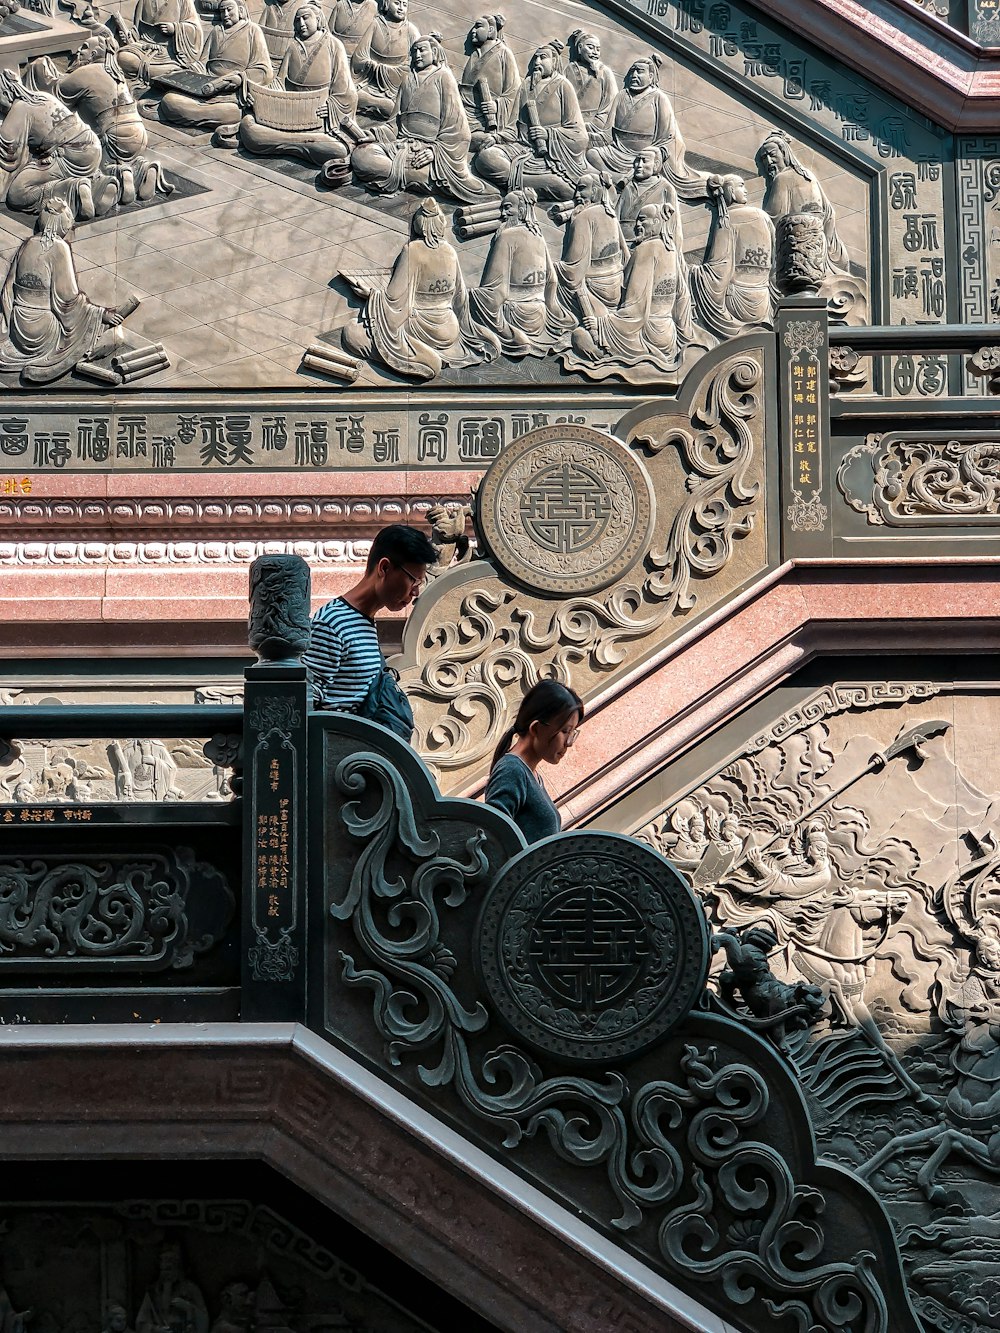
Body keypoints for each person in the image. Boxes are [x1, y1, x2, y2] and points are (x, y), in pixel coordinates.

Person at [303, 523, 438, 711]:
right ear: (384, 568)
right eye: (412, 580)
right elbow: (305, 704)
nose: (415, 591)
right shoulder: (331, 623)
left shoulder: (364, 621)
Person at [0, 198, 126, 384]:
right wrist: (100, 314)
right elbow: (67, 299)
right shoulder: (59, 248)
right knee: (106, 337)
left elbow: (8, 289)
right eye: (68, 220)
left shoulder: (27, 245)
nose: (70, 225)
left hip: (18, 323)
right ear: (61, 222)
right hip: (42, 330)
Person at [351, 32, 485, 202]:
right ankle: (411, 177)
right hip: (400, 147)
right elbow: (394, 124)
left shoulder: (444, 77)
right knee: (362, 156)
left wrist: (434, 151)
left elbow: (459, 130)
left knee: (434, 174)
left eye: (422, 50)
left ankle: (412, 176)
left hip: (429, 152)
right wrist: (376, 134)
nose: (417, 55)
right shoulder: (408, 79)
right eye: (414, 51)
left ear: (434, 53)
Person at [485, 680, 583, 844]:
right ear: (536, 728)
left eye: (573, 733)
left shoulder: (530, 775)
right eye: (565, 731)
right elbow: (494, 838)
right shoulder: (512, 770)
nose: (569, 743)